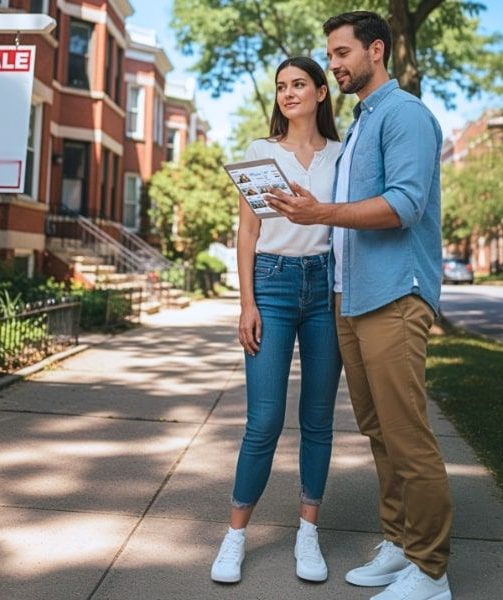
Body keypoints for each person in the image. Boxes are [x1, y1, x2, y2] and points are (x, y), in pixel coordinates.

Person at [265, 11, 453, 600]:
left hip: (395, 293)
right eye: (330, 54)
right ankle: (400, 542)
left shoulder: (404, 115)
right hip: (352, 297)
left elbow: (404, 205)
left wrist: (319, 213)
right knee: (378, 431)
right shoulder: (361, 123)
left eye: (342, 53)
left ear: (377, 51)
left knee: (406, 434)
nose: (335, 64)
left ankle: (431, 571)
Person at [211, 56, 343, 585]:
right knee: (263, 420)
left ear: (321, 93)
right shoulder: (260, 153)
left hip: (325, 287)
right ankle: (235, 536)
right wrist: (247, 303)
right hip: (272, 283)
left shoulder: (342, 155)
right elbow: (247, 232)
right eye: (281, 86)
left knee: (318, 419)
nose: (288, 93)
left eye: (299, 84)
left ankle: (307, 531)